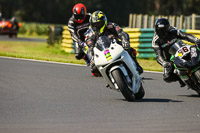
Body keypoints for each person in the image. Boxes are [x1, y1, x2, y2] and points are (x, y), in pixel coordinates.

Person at [85, 10, 143, 85]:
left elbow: (122, 33)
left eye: (99, 23)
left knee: (130, 49)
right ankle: (109, 78)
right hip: (102, 52)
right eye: (95, 24)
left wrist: (125, 41)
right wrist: (92, 59)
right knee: (94, 70)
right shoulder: (90, 33)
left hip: (115, 46)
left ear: (104, 22)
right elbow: (90, 46)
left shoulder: (111, 26)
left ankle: (136, 64)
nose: (97, 26)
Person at [152, 18, 200, 87]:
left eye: (163, 30)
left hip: (181, 49)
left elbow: (185, 35)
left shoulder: (173, 30)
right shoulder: (155, 41)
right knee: (167, 77)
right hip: (169, 58)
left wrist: (195, 40)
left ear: (167, 28)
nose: (160, 32)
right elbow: (158, 55)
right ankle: (180, 78)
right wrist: (164, 62)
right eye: (158, 29)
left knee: (196, 48)